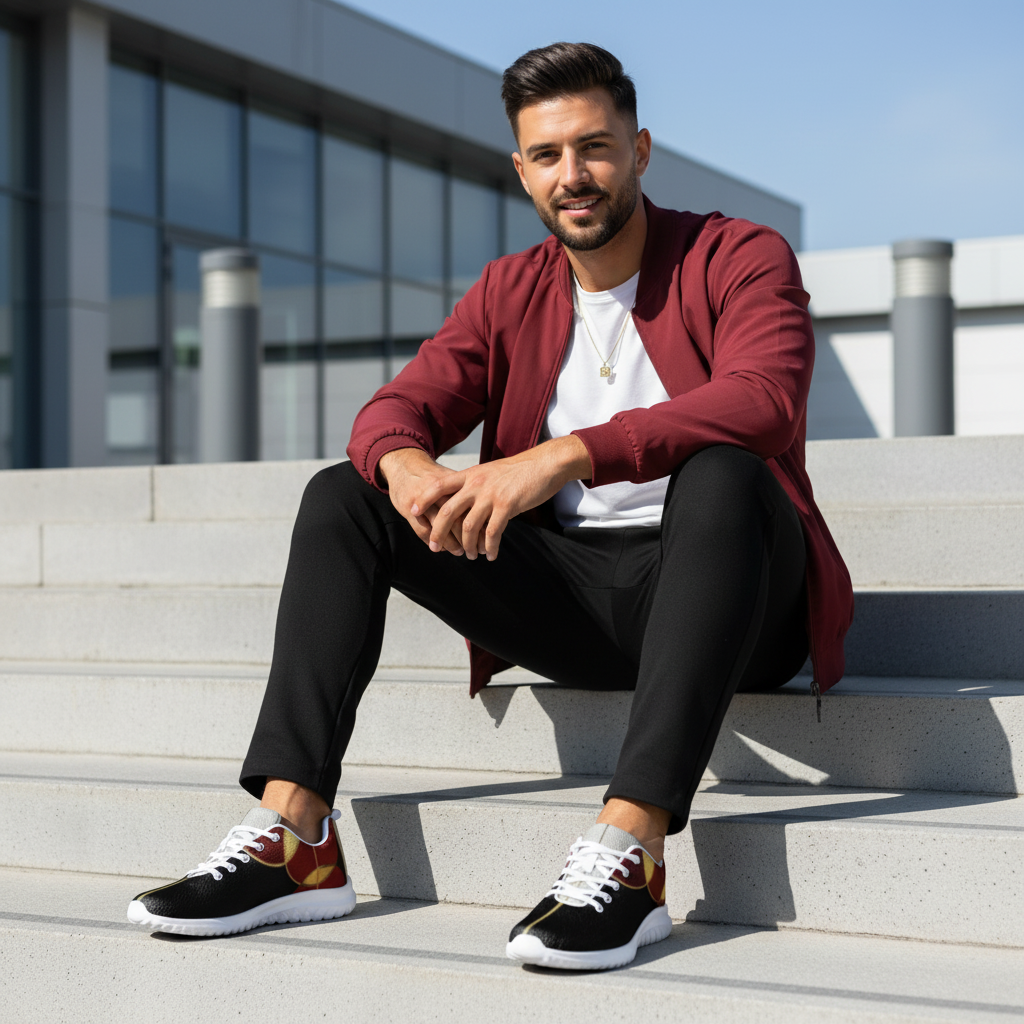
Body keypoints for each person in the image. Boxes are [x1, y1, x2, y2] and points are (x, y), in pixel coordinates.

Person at [127, 42, 853, 970]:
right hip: (579, 604)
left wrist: (566, 455)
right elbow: (394, 410)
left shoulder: (735, 254)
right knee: (344, 496)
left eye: (594, 146)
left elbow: (764, 398)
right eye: (546, 156)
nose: (572, 174)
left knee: (723, 471)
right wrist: (405, 468)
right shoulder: (510, 289)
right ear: (521, 169)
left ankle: (631, 852)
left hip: (736, 596)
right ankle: (295, 837)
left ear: (639, 151)